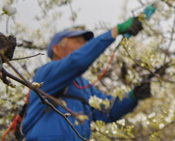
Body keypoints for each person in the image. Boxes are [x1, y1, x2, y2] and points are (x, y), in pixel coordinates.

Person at [20, 15, 152, 140]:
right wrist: (114, 31)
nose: (83, 46)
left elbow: (108, 110)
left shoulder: (84, 86)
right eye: (78, 41)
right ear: (57, 49)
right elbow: (77, 61)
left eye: (85, 43)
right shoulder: (46, 73)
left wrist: (133, 96)